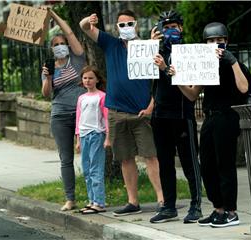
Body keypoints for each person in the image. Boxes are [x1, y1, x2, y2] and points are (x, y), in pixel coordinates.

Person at [79, 10, 164, 216]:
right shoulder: (111, 44)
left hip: (141, 112)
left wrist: (152, 105)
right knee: (126, 158)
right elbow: (84, 28)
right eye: (122, 25)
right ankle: (132, 201)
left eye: (130, 24)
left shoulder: (146, 47)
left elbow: (159, 80)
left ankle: (162, 198)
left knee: (150, 155)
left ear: (136, 25)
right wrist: (88, 21)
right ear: (116, 28)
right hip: (116, 112)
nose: (126, 28)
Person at [174, 22, 250, 227]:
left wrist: (232, 61)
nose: (215, 44)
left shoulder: (235, 65)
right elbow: (192, 94)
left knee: (224, 164)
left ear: (226, 42)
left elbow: (244, 88)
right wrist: (176, 77)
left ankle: (232, 212)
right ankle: (219, 208)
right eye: (211, 41)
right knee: (207, 165)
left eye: (220, 40)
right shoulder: (205, 65)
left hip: (228, 116)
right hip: (210, 118)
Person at [150, 10, 203, 224]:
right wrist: (150, 46)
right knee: (165, 163)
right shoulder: (157, 51)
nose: (170, 30)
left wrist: (165, 69)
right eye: (166, 26)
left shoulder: (190, 53)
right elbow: (143, 75)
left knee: (190, 163)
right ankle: (169, 206)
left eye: (174, 26)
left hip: (182, 115)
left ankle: (196, 205)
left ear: (181, 28)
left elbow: (190, 89)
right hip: (160, 115)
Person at [41, 9, 86, 211]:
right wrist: (48, 78)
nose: (60, 47)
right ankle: (70, 198)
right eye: (55, 45)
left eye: (62, 44)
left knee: (89, 156)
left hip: (81, 114)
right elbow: (46, 93)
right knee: (65, 159)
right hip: (59, 116)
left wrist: (53, 15)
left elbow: (69, 32)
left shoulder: (76, 60)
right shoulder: (49, 67)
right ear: (51, 49)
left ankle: (95, 197)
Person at [75, 66, 110, 214]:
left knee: (96, 169)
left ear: (97, 79)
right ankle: (91, 200)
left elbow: (107, 118)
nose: (87, 81)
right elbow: (78, 119)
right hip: (83, 136)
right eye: (85, 78)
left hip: (96, 134)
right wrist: (77, 140)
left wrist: (108, 137)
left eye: (90, 78)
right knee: (87, 170)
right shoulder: (81, 98)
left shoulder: (102, 96)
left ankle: (99, 202)